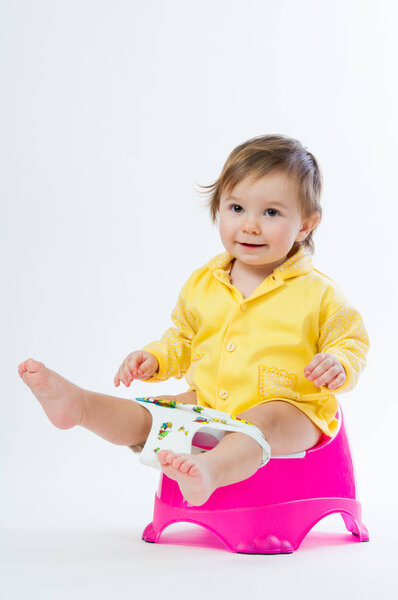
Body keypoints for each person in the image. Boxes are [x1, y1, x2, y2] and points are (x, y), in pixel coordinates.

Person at [18, 134, 369, 507]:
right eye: (236, 209)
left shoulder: (318, 292)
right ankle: (82, 406)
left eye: (271, 213)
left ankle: (209, 472)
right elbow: (183, 339)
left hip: (291, 408)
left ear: (304, 226)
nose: (250, 225)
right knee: (156, 414)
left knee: (261, 423)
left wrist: (339, 363)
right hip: (209, 402)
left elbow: (351, 339)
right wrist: (156, 358)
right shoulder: (204, 283)